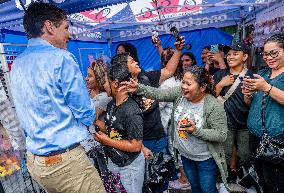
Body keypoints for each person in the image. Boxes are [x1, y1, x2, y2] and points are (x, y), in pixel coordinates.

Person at [10, 2, 105, 193]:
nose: (69, 34)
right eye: (66, 27)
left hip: (36, 162)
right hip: (66, 163)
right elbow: (86, 114)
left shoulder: (18, 63)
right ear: (49, 27)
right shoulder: (62, 58)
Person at [122, 65, 229, 193]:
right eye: (183, 81)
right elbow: (159, 93)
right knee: (195, 187)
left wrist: (196, 131)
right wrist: (139, 88)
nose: (183, 86)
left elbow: (221, 134)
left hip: (205, 160)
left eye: (188, 84)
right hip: (185, 156)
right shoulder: (180, 93)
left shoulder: (213, 106)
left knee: (208, 189)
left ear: (202, 87)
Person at [242, 33, 284, 193]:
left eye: (274, 53)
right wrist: (247, 93)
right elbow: (250, 103)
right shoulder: (263, 72)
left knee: (275, 183)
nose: (268, 57)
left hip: (277, 139)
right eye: (265, 54)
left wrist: (266, 87)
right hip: (255, 136)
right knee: (260, 180)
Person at [95, 60, 144, 193]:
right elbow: (113, 130)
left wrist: (107, 141)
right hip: (116, 161)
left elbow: (135, 146)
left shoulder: (131, 110)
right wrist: (95, 124)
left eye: (106, 82)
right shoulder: (111, 105)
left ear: (115, 83)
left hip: (129, 167)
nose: (104, 85)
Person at [214, 42, 253, 183]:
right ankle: (224, 180)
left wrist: (248, 97)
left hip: (245, 123)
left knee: (245, 154)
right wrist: (220, 84)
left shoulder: (251, 76)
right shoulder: (220, 74)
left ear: (245, 57)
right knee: (225, 153)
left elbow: (252, 104)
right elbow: (210, 98)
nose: (230, 57)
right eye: (228, 54)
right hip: (225, 123)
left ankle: (244, 178)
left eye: (235, 53)